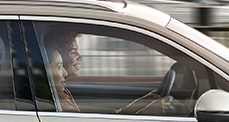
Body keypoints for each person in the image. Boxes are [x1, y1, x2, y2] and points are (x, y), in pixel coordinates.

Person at [43, 31, 171, 115]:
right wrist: (147, 112)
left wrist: (140, 104)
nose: (80, 57)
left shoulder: (61, 90)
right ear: (58, 56)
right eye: (73, 52)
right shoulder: (59, 98)